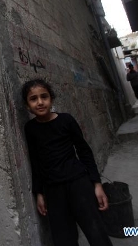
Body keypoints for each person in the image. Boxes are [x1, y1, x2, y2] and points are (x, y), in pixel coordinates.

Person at [22, 79, 112, 246]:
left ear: (51, 99)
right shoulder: (30, 129)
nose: (40, 102)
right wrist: (39, 193)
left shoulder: (66, 120)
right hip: (53, 190)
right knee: (64, 238)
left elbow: (84, 152)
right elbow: (35, 161)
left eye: (44, 96)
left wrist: (97, 184)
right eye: (33, 99)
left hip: (78, 183)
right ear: (27, 105)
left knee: (96, 231)